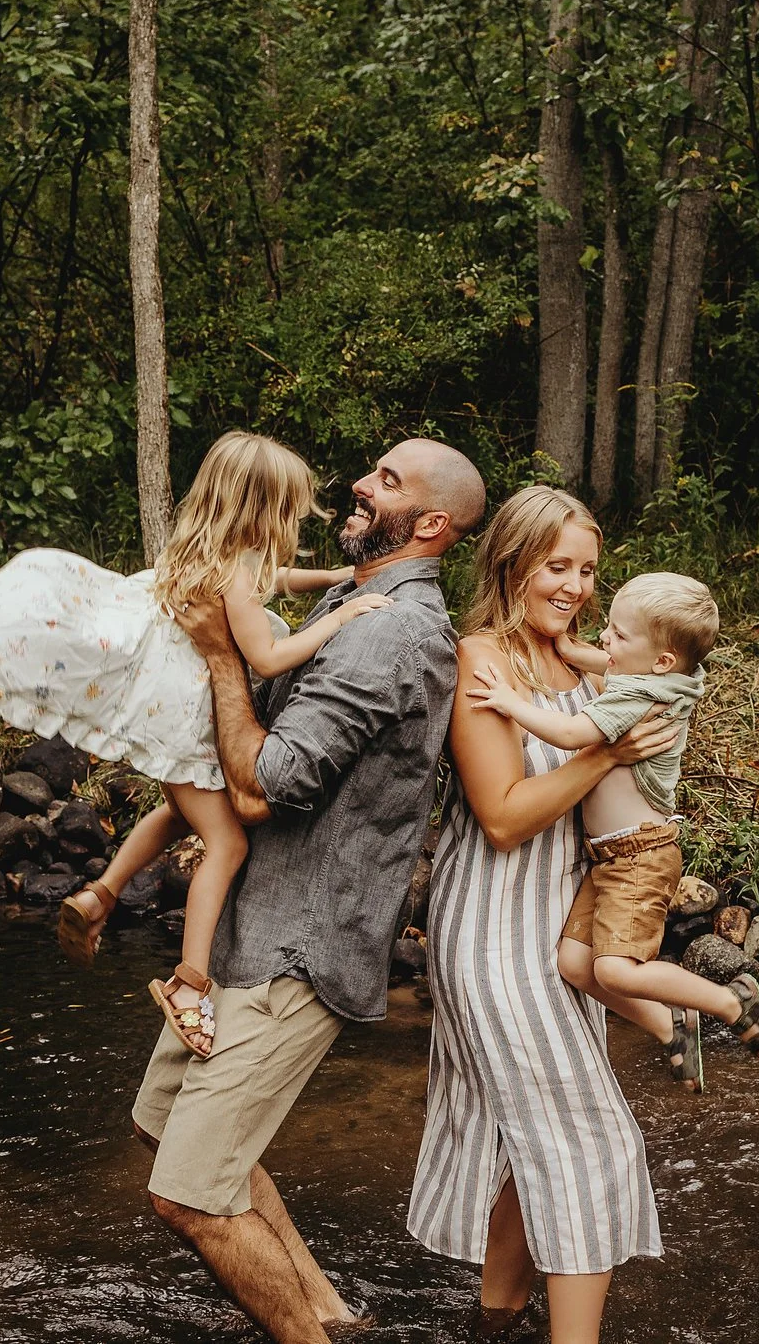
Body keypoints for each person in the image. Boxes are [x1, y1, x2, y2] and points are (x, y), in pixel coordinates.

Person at [0, 431, 389, 1055]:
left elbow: (274, 577)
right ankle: (190, 983)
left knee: (175, 814)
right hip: (194, 726)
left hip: (165, 719)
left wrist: (328, 578)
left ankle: (100, 893)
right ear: (265, 507)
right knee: (228, 843)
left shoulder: (205, 552)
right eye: (290, 506)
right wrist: (342, 616)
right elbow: (269, 657)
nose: (297, 516)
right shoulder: (237, 576)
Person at [141, 437, 488, 1344]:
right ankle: (334, 1313)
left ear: (434, 521)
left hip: (299, 947)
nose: (360, 485)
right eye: (372, 471)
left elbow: (263, 784)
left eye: (386, 480)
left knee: (188, 1191)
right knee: (165, 1126)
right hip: (251, 933)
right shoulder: (351, 597)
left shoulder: (392, 631)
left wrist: (221, 659)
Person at [407, 487, 684, 1344]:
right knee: (588, 1139)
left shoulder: (580, 661)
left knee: (520, 1136)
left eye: (588, 569)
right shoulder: (479, 660)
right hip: (492, 928)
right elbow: (502, 813)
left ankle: (498, 1323)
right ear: (512, 562)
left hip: (564, 924)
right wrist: (607, 750)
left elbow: (677, 684)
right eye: (557, 566)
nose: (574, 585)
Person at [466, 570, 759, 1091]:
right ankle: (671, 1023)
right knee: (575, 964)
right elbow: (610, 668)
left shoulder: (636, 701)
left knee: (614, 971)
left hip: (640, 856)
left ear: (660, 660)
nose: (604, 641)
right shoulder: (667, 679)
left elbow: (571, 732)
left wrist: (510, 701)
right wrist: (573, 649)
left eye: (617, 634)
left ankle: (733, 999)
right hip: (611, 857)